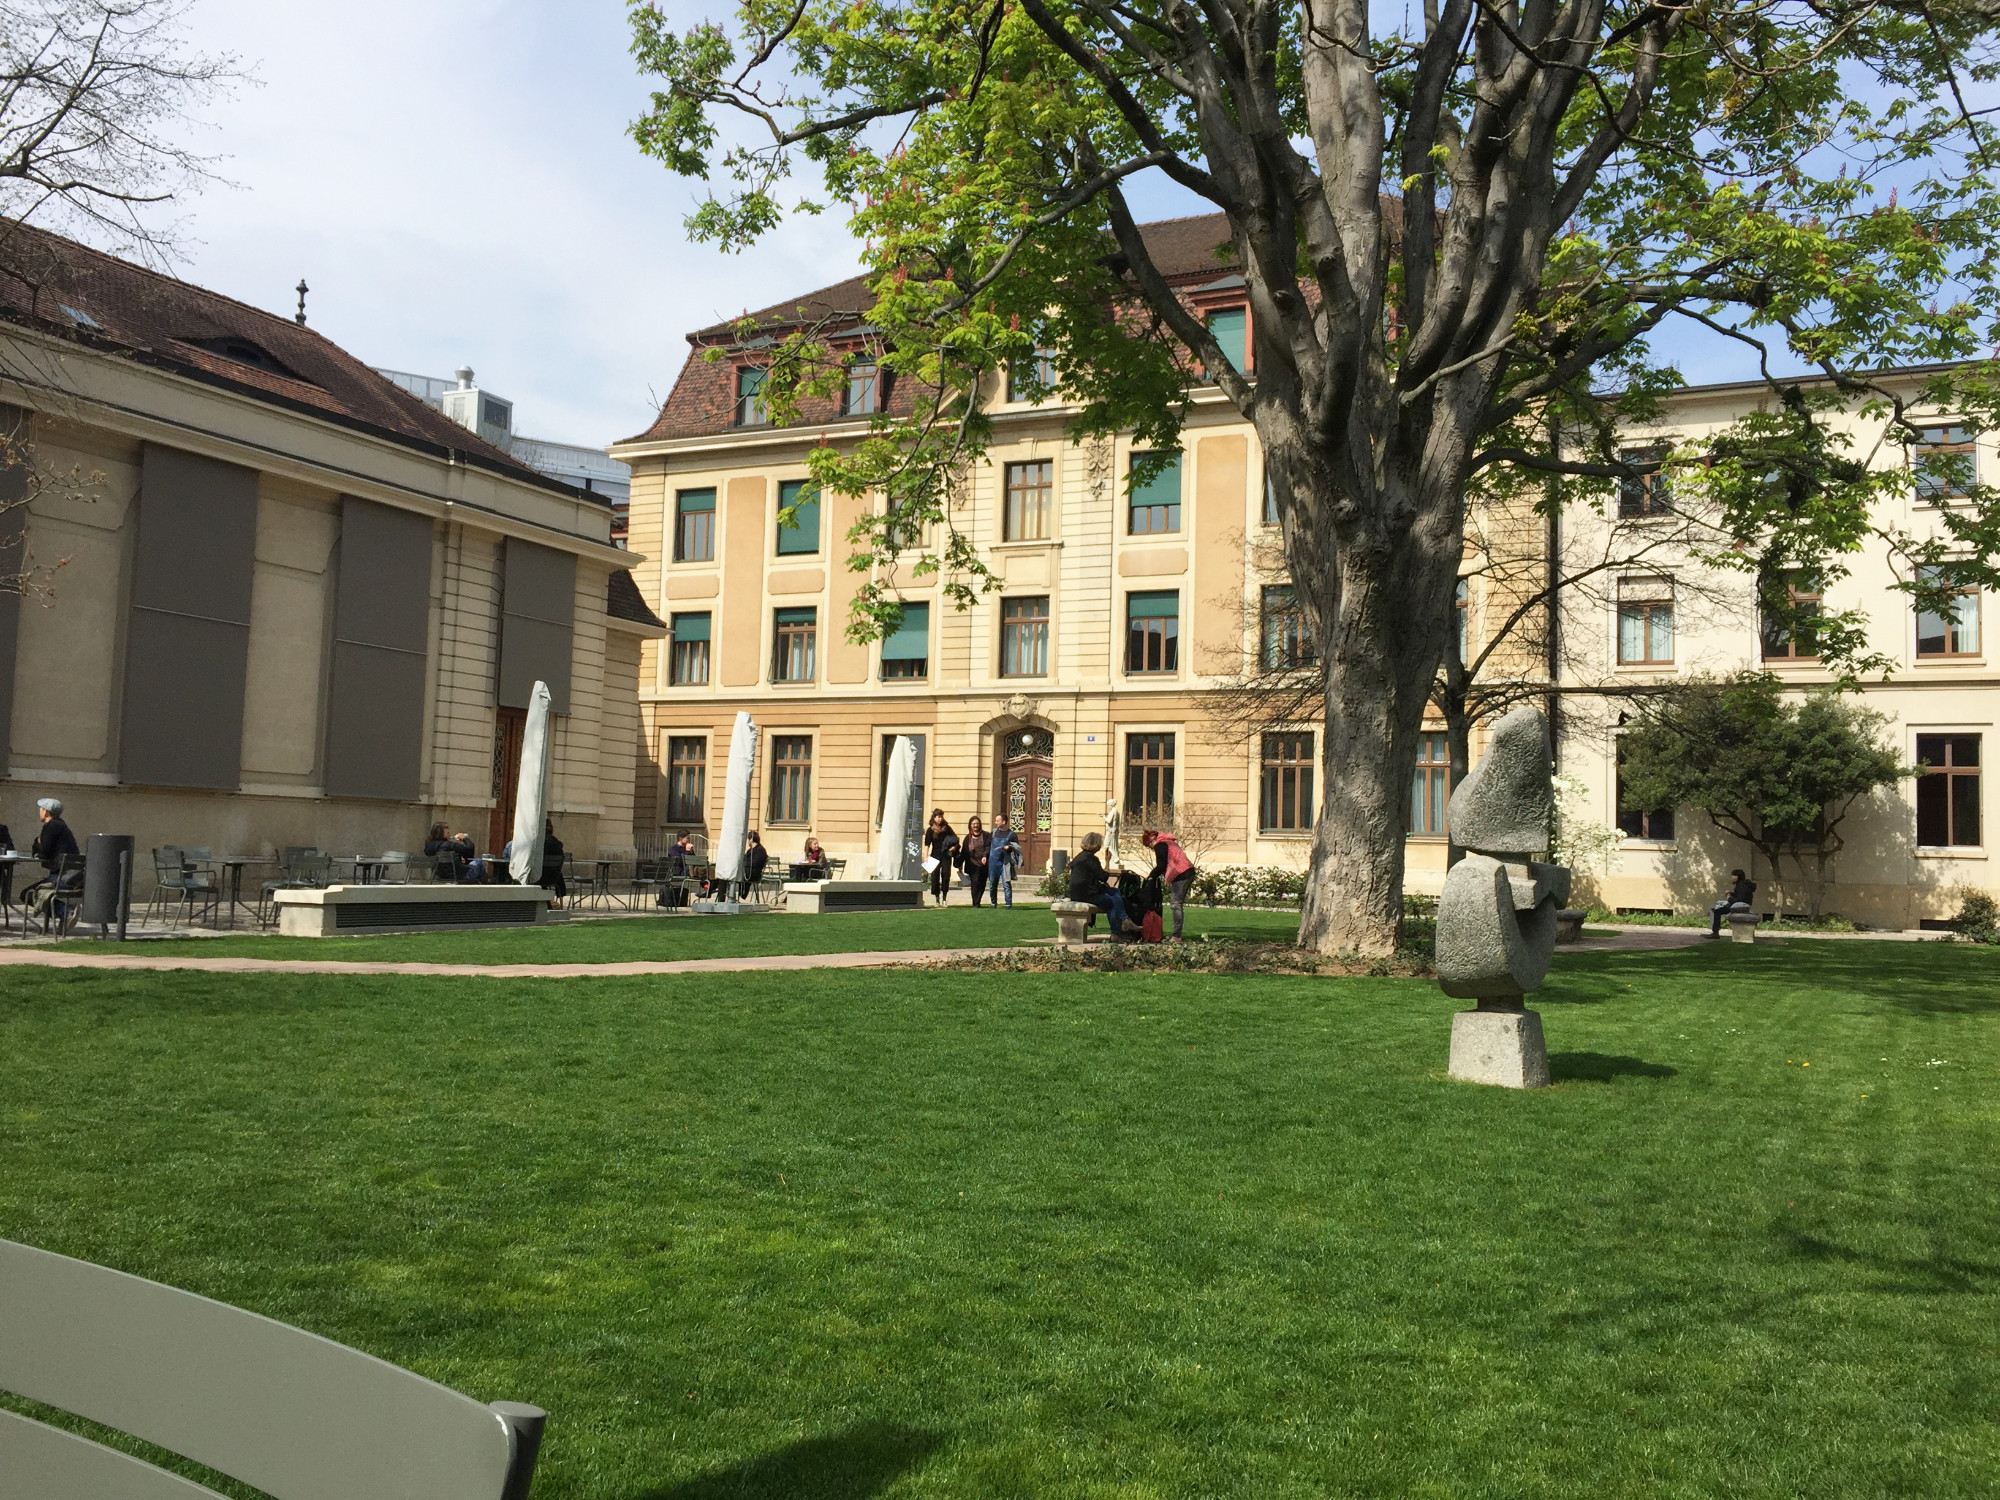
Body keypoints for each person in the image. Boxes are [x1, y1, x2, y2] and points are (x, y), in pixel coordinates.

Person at [1068, 830, 1141, 937]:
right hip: (1087, 895)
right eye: (1099, 843)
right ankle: (1117, 930)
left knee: (1114, 892)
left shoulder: (1079, 857)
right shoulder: (1091, 858)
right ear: (1095, 844)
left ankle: (1125, 922)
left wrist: (1102, 885)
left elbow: (1089, 877)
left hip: (1077, 892)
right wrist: (1107, 861)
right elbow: (1103, 877)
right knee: (1111, 902)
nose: (1100, 846)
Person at [22, 796, 82, 925]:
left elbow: (44, 852)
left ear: (45, 811)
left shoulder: (51, 826)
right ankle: (65, 915)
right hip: (74, 876)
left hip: (63, 878)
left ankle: (65, 913)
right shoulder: (62, 825)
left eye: (41, 809)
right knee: (38, 891)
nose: (40, 811)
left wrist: (38, 843)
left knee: (27, 893)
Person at [1142, 827, 1198, 940]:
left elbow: (1161, 865)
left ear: (1151, 841)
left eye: (1149, 846)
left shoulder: (1160, 845)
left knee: (1175, 904)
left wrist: (1151, 877)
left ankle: (1176, 936)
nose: (1151, 849)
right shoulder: (1169, 843)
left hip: (1180, 873)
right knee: (1177, 904)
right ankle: (1176, 935)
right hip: (1187, 872)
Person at [923, 810, 958, 905]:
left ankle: (944, 897)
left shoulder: (947, 828)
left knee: (946, 875)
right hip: (935, 855)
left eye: (941, 817)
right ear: (934, 818)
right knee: (935, 876)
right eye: (938, 817)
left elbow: (955, 839)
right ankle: (937, 898)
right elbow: (927, 844)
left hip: (946, 855)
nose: (940, 819)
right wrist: (925, 856)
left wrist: (954, 847)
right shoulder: (930, 830)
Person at [986, 814, 1021, 909]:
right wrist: (985, 856)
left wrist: (1009, 848)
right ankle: (993, 903)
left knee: (1006, 883)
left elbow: (1017, 848)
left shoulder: (1012, 835)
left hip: (1005, 863)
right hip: (993, 862)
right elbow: (988, 845)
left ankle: (1008, 904)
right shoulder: (993, 832)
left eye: (997, 821)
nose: (995, 822)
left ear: (1004, 822)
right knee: (993, 883)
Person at [1709, 868, 1756, 937]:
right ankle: (1715, 931)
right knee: (1718, 909)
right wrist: (1731, 893)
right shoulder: (1742, 885)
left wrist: (1729, 898)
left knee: (1717, 911)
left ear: (1738, 877)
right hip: (1743, 905)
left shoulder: (1741, 886)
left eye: (1734, 875)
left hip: (1740, 907)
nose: (1732, 877)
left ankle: (1715, 932)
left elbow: (1739, 900)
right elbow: (1740, 896)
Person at [960, 816, 991, 908]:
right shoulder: (967, 838)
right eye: (973, 824)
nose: (975, 825)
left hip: (984, 864)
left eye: (977, 823)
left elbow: (988, 847)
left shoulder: (986, 835)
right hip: (972, 864)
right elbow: (964, 852)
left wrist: (985, 855)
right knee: (975, 882)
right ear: (970, 825)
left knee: (982, 883)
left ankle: (978, 900)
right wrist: (959, 864)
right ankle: (975, 903)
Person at [539, 817, 567, 904]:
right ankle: (559, 901)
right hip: (555, 878)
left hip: (540, 877)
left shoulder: (538, 843)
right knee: (557, 872)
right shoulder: (557, 844)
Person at [738, 829, 769, 899]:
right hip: (747, 871)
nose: (747, 842)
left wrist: (743, 865)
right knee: (731, 874)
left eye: (748, 840)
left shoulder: (760, 850)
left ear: (751, 839)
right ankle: (737, 896)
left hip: (754, 874)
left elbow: (755, 863)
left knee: (738, 875)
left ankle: (741, 896)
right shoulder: (750, 850)